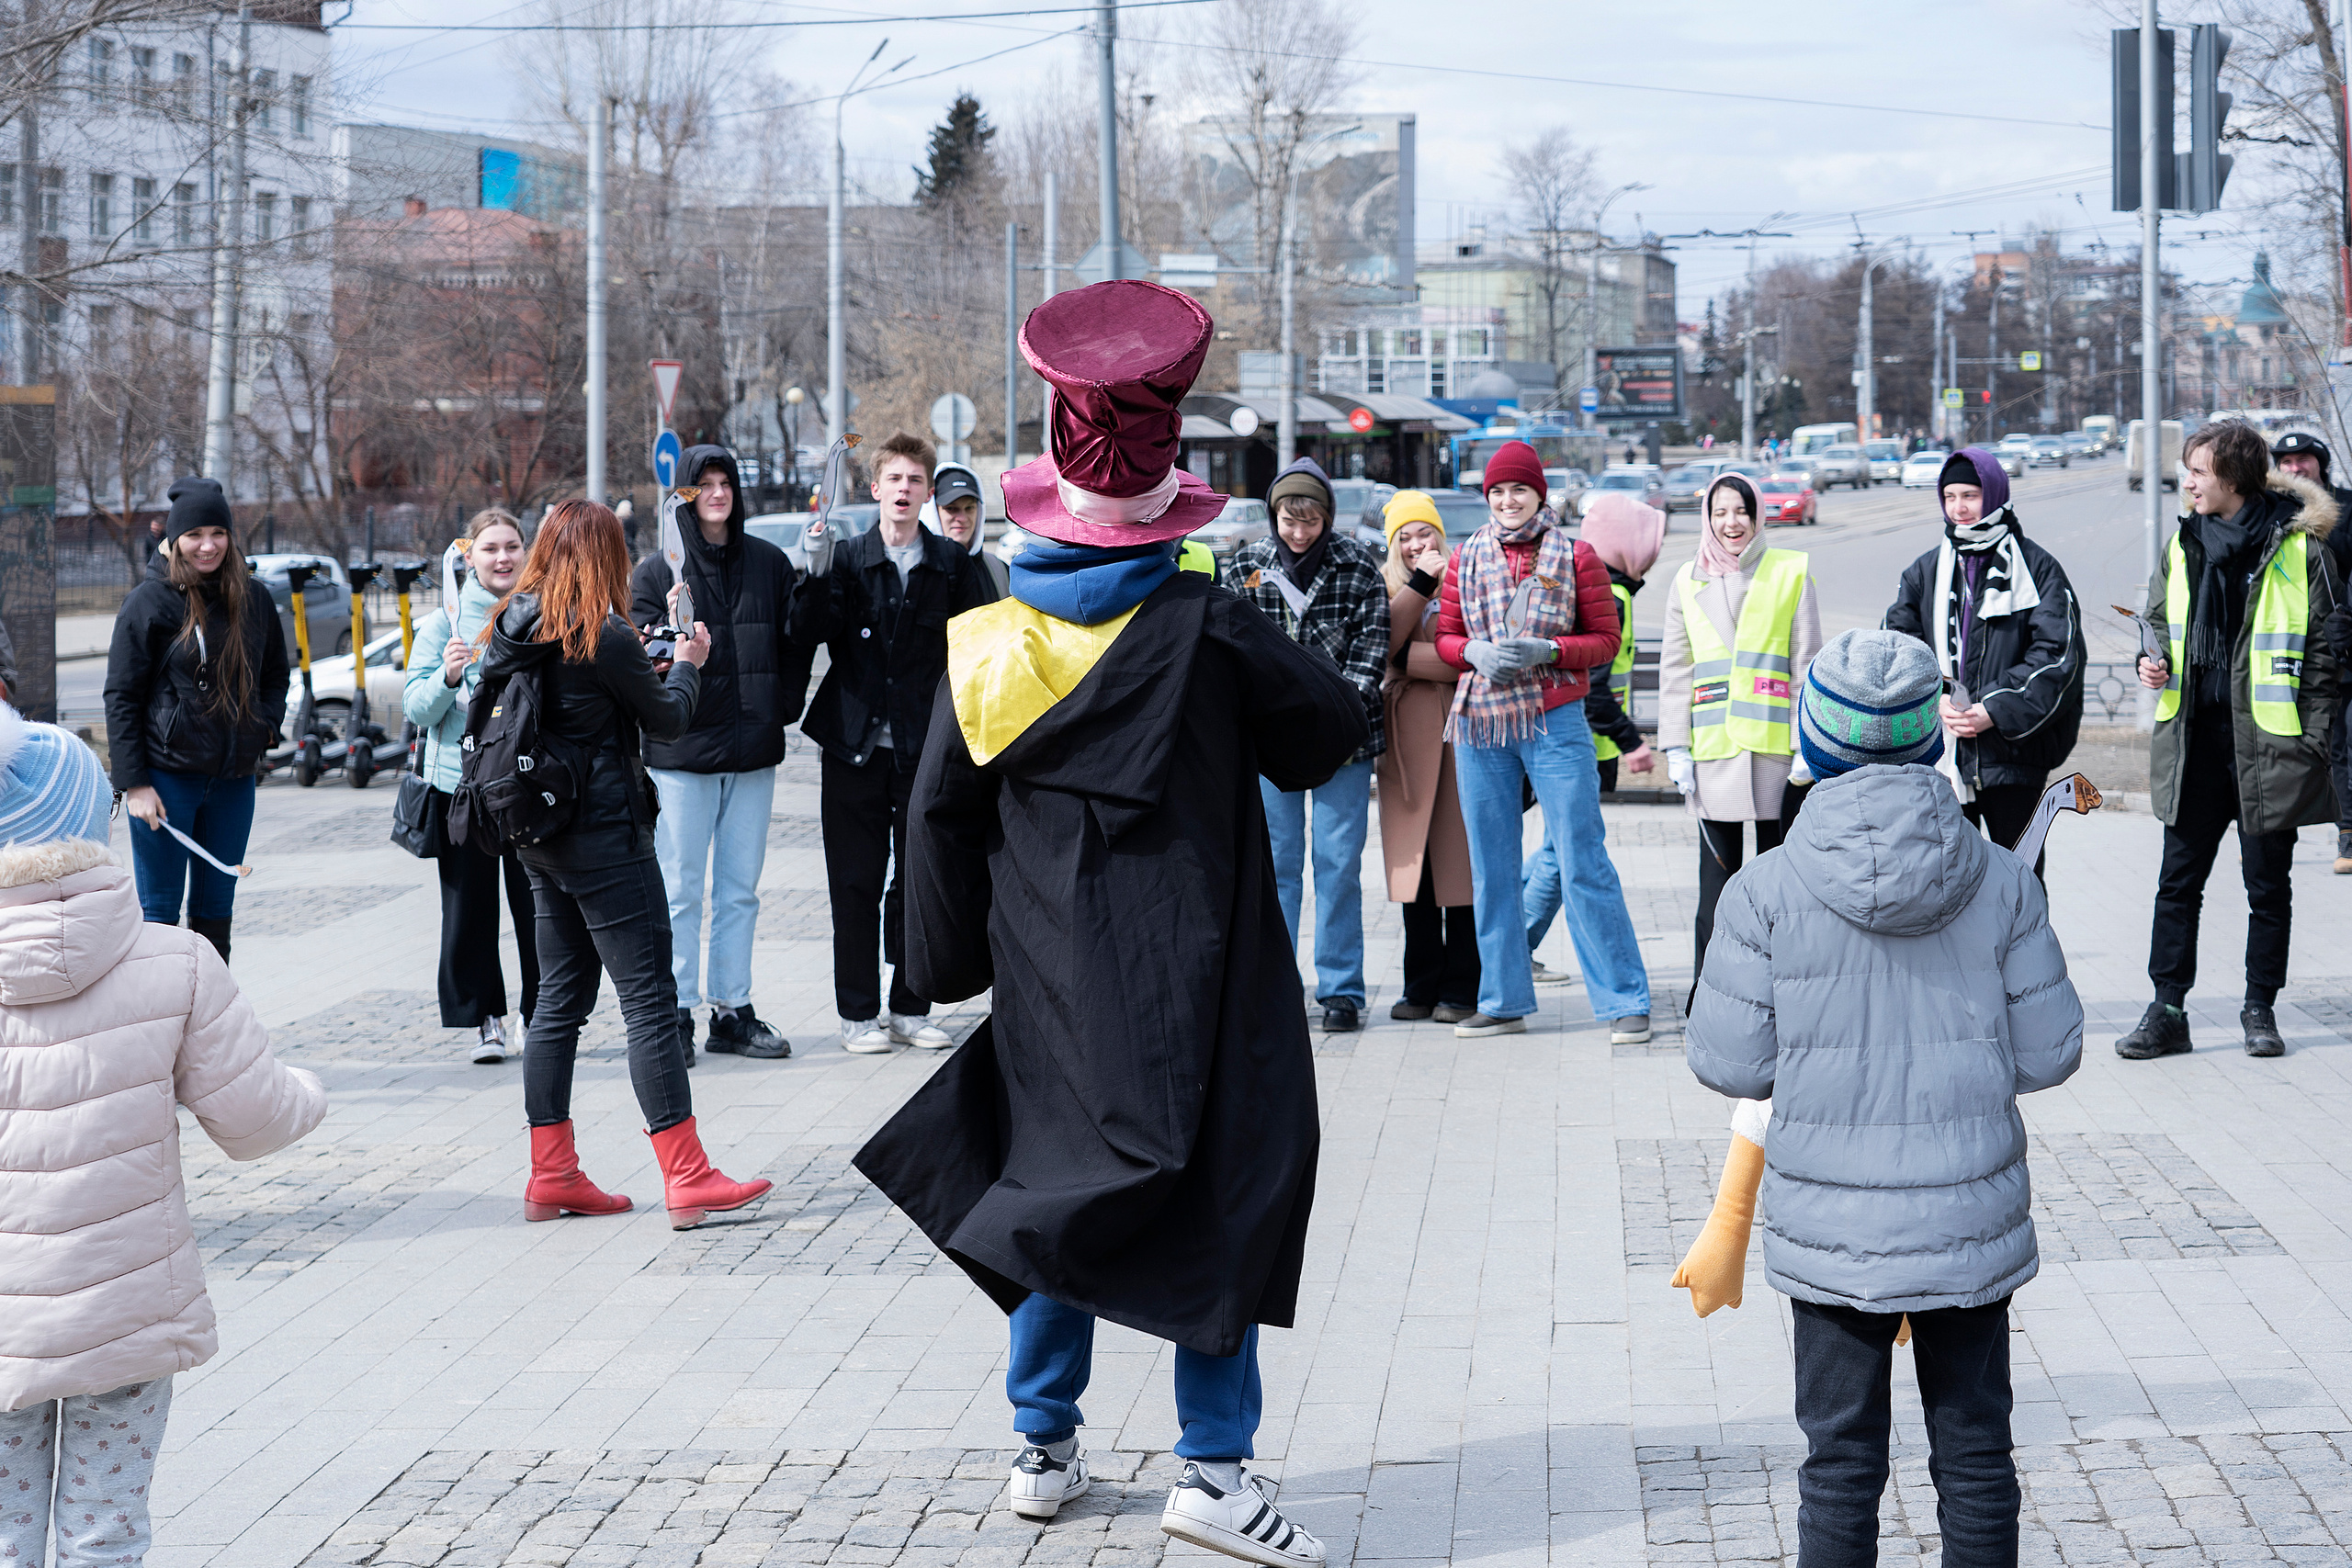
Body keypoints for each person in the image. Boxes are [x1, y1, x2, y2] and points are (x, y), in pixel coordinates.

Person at [854, 279, 1363, 1565]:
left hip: (1048, 975)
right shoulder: (1210, 627)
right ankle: (1213, 1469)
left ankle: (1044, 1445)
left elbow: (936, 819)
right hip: (1200, 971)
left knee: (1052, 1187)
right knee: (1225, 1187)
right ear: (1167, 504)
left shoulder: (986, 641)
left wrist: (950, 964)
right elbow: (1326, 734)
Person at [1686, 628, 2083, 1568]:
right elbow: (2052, 1051)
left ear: (1814, 742)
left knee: (1837, 1462)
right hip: (1968, 1225)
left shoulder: (1761, 891)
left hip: (1830, 1230)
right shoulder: (2000, 879)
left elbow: (1729, 1062)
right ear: (1927, 740)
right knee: (1977, 1456)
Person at [0, 707, 327, 1568]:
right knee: (105, 1531)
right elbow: (255, 1121)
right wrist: (308, 1092)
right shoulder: (175, 961)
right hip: (125, 1306)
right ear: (93, 822)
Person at [477, 499, 774, 1228]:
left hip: (539, 837)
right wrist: (691, 665)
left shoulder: (516, 625)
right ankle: (688, 1175)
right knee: (646, 999)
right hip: (607, 838)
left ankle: (552, 1174)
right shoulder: (600, 634)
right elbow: (669, 718)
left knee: (558, 1005)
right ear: (604, 555)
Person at [2119, 420, 2342, 1061]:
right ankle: (2167, 1009)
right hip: (2193, 743)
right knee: (2177, 882)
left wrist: (2315, 743)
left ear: (2235, 480)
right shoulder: (2182, 543)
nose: (2187, 482)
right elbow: (2157, 619)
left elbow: (2332, 655)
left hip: (2270, 747)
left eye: (2199, 471)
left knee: (2266, 886)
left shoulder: (2303, 552)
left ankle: (2259, 1007)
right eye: (2188, 470)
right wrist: (2150, 659)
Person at [1435, 440, 1650, 1041]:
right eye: (1498, 491)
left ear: (1539, 494)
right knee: (1491, 867)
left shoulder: (1576, 554)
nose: (1508, 500)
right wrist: (1472, 651)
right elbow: (1446, 637)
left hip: (1557, 718)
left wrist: (1550, 650)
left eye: (1519, 490)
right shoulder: (1464, 557)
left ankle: (1624, 1000)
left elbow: (1605, 638)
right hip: (1481, 722)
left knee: (1582, 857)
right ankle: (1502, 1000)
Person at [791, 432, 996, 1054]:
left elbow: (980, 648)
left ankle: (911, 1005)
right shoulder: (848, 557)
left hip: (924, 752)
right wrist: (815, 568)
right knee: (853, 881)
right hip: (852, 746)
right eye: (894, 479)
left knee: (917, 880)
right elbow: (808, 631)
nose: (904, 489)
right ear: (874, 488)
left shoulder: (952, 565)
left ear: (928, 493)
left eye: (915, 480)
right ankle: (858, 1014)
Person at [630, 445, 812, 1064]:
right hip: (681, 753)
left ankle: (731, 1009)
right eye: (702, 483)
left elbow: (796, 637)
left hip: (752, 751)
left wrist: (779, 703)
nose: (716, 492)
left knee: (739, 889)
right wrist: (674, 635)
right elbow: (642, 657)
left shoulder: (768, 562)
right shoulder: (658, 572)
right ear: (684, 495)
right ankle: (674, 1010)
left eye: (724, 481)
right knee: (679, 889)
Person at [1226, 457, 1390, 1032]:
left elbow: (1371, 657)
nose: (1299, 532)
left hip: (1342, 740)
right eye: (1289, 520)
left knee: (1338, 864)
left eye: (1311, 521)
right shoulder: (1247, 565)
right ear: (1274, 517)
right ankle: (1276, 982)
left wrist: (1329, 708)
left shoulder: (1358, 568)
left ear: (1328, 518)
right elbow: (1231, 650)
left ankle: (1342, 987)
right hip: (1271, 745)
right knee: (1277, 866)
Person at [103, 476, 289, 963]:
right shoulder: (148, 603)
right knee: (159, 916)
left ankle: (209, 1028)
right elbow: (121, 697)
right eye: (194, 536)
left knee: (215, 914)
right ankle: (158, 1030)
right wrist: (134, 784)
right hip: (166, 782)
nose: (208, 546)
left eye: (218, 533)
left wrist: (263, 730)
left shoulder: (254, 599)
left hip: (233, 780)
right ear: (174, 539)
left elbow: (275, 677)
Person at [1883, 447, 2086, 874]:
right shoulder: (1925, 571)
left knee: (2021, 883)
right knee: (1946, 886)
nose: (1959, 507)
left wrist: (1992, 710)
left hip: (2011, 759)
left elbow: (2057, 657)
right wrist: (1932, 698)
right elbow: (1897, 645)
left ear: (1993, 493)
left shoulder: (2038, 568)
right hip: (1941, 758)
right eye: (1950, 496)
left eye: (1970, 495)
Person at [1657, 472, 1821, 998]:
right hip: (1714, 752)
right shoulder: (1687, 580)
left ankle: (1781, 992)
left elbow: (1807, 663)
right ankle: (1709, 994)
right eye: (1720, 512)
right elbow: (1676, 669)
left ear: (1757, 515)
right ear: (1707, 516)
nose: (1731, 523)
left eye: (1741, 511)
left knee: (1781, 884)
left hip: (1778, 752)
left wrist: (1806, 743)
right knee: (1718, 880)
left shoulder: (1790, 571)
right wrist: (1676, 748)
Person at [403, 510, 540, 1065]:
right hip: (462, 792)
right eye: (491, 548)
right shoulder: (445, 625)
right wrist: (449, 675)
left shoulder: (540, 615)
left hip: (527, 785)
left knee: (538, 906)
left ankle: (541, 1012)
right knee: (469, 911)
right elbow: (415, 706)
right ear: (470, 557)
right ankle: (487, 1018)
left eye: (512, 546)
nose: (503, 557)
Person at [1524, 493, 1665, 982]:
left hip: (1571, 740)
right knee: (1565, 856)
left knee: (1555, 850)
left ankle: (1510, 941)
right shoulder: (1615, 596)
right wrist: (1632, 742)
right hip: (1587, 744)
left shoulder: (1591, 581)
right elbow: (1598, 688)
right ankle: (1516, 943)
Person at [1375, 490, 1477, 1024]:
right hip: (1406, 736)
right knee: (1412, 864)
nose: (1418, 544)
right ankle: (1419, 984)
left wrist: (1410, 662)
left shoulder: (1467, 578)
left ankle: (1463, 985)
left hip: (1463, 730)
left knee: (1459, 863)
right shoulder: (1386, 583)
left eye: (1425, 533)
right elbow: (1382, 644)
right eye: (1405, 536)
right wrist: (1419, 587)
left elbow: (1472, 658)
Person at [2268, 430, 2352, 874]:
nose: (2295, 468)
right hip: (2283, 651)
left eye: (2304, 460)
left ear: (2321, 464)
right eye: (2286, 461)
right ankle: (2273, 831)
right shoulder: (2267, 514)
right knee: (2286, 748)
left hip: (2342, 646)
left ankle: (2348, 835)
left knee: (2343, 745)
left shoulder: (2347, 507)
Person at [931, 459, 1010, 598]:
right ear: (933, 512)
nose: (962, 518)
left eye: (969, 508)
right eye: (951, 508)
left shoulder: (999, 571)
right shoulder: (918, 573)